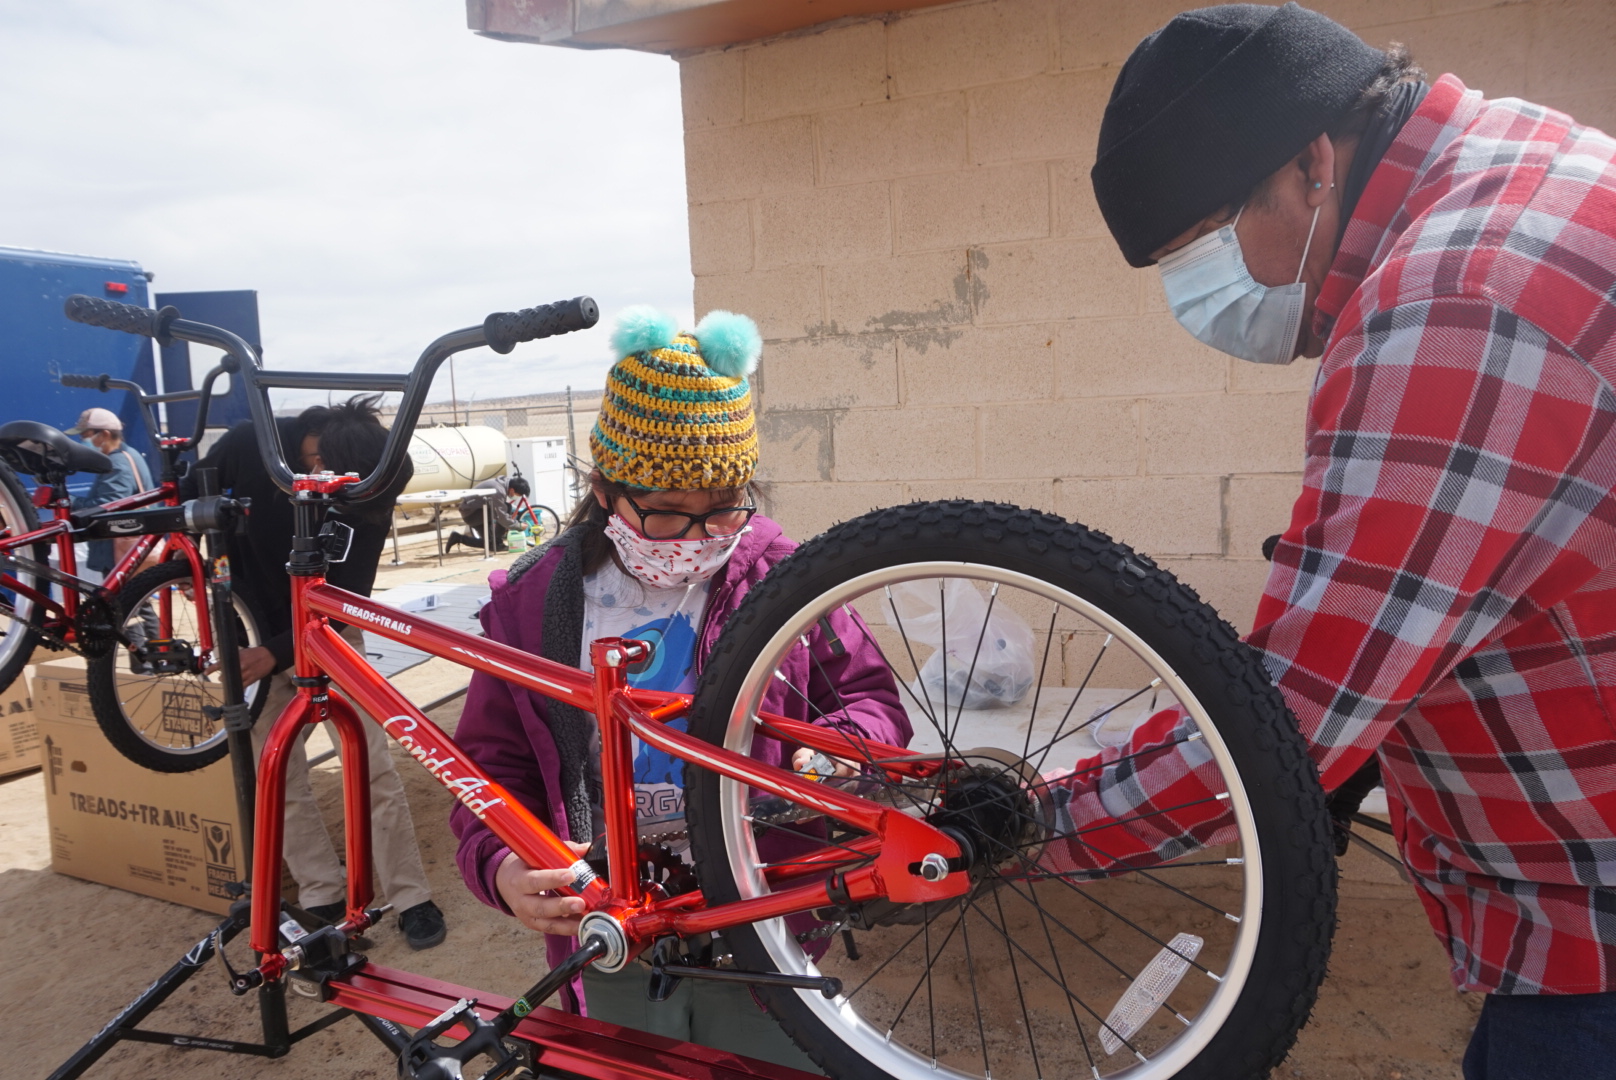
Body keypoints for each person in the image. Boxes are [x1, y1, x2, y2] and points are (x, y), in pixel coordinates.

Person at [1076, 4, 1616, 1076]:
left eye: (1205, 243)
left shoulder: (1452, 302)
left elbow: (1284, 720)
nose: (1199, 296)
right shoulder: (1525, 154)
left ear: (1312, 163)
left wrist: (1008, 828)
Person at [450, 307, 909, 1070]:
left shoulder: (786, 580)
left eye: (722, 510)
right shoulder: (532, 606)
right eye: (664, 513)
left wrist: (822, 764)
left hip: (763, 922)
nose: (696, 541)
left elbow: (873, 704)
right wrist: (500, 864)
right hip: (613, 937)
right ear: (604, 490)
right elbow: (489, 766)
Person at [190, 395, 447, 949]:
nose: (318, 481)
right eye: (314, 465)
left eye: (333, 476)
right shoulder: (246, 446)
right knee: (278, 770)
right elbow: (194, 528)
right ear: (315, 438)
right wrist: (239, 639)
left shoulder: (372, 483)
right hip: (253, 635)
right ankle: (320, 893)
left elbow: (348, 589)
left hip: (331, 630)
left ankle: (410, 896)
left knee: (372, 764)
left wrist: (282, 650)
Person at [66, 406, 153, 583]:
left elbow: (108, 506)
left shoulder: (118, 463)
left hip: (118, 552)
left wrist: (68, 501)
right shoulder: (125, 455)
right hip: (122, 550)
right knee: (128, 603)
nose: (83, 440)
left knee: (124, 603)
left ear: (105, 434)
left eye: (86, 435)